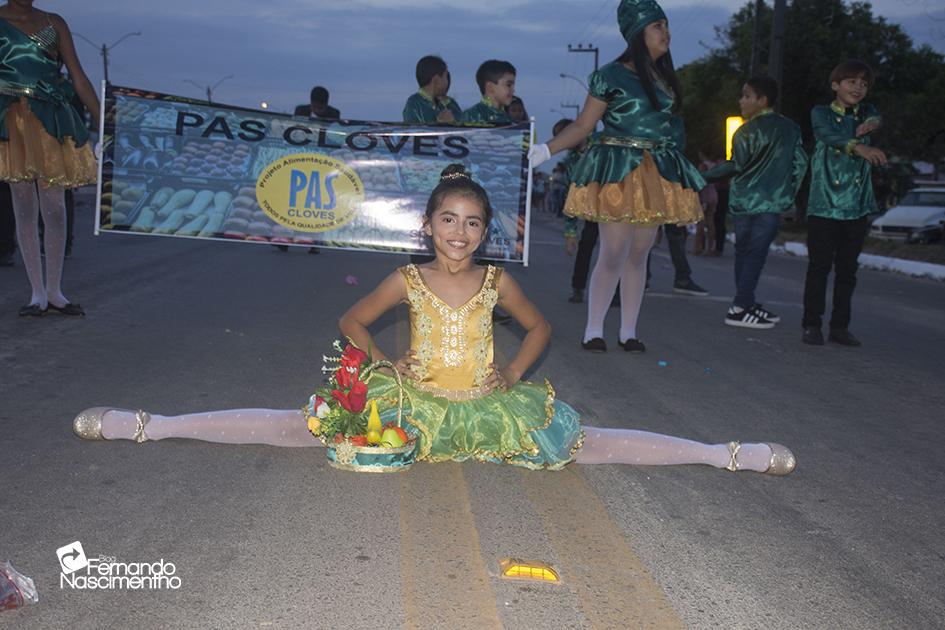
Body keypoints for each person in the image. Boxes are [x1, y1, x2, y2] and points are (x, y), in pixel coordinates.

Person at [72, 164, 795, 476]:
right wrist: (385, 366)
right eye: (448, 220)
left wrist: (509, 372)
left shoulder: (496, 282)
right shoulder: (407, 277)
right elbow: (352, 321)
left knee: (584, 446)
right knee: (300, 428)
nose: (459, 233)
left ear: (486, 232)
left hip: (483, 404)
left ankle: (721, 454)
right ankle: (151, 423)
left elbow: (540, 329)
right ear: (427, 225)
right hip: (412, 400)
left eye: (472, 223)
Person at [529, 0, 704, 354]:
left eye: (666, 25)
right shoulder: (610, 75)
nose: (666, 33)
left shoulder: (666, 78)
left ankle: (629, 331)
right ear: (637, 32)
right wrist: (546, 150)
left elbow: (671, 130)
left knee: (640, 253)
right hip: (618, 168)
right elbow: (583, 125)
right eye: (658, 26)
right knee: (613, 250)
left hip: (655, 169)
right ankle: (594, 329)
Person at [0, 1, 98, 317]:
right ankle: (37, 295)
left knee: (54, 204)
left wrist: (107, 122)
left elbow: (78, 77)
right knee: (24, 204)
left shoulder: (53, 22)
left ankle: (56, 291)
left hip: (50, 119)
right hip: (11, 119)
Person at [703, 76, 807, 330]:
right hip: (769, 203)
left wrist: (699, 176)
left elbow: (734, 165)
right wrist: (787, 193)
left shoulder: (744, 131)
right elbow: (801, 163)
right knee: (755, 255)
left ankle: (743, 303)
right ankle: (741, 305)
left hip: (742, 202)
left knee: (744, 252)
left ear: (763, 100)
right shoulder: (790, 128)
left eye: (747, 96)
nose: (741, 101)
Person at [801, 60, 885, 347]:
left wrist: (871, 125)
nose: (858, 87)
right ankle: (811, 325)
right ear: (835, 85)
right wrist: (859, 146)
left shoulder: (867, 112)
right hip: (824, 203)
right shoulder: (821, 113)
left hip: (856, 205)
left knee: (848, 270)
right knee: (819, 267)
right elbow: (828, 135)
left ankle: (840, 327)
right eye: (851, 81)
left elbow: (876, 119)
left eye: (863, 84)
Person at [402, 55, 462, 124]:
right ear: (437, 80)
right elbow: (412, 131)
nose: (448, 82)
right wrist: (439, 125)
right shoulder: (415, 104)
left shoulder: (450, 104)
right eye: (445, 76)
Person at [459, 60, 515, 124]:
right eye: (509, 85)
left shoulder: (507, 118)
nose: (513, 90)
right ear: (490, 87)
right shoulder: (470, 117)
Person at [694, 148, 719, 256]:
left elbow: (699, 181)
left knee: (701, 223)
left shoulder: (703, 166)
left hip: (705, 195)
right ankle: (710, 247)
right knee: (710, 222)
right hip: (714, 194)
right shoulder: (716, 166)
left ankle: (698, 247)